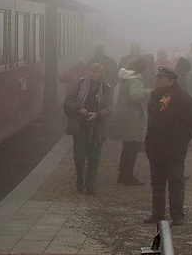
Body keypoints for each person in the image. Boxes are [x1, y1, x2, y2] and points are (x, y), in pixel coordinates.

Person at [144, 67, 192, 225]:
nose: (157, 80)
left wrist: (182, 140)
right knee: (157, 183)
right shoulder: (155, 97)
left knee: (175, 182)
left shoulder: (183, 99)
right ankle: (157, 214)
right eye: (157, 77)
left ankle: (177, 215)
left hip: (174, 149)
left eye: (161, 78)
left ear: (171, 81)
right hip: (155, 147)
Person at [63, 63, 112, 195]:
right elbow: (69, 102)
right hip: (80, 126)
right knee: (79, 156)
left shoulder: (107, 88)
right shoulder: (79, 84)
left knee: (94, 158)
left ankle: (90, 184)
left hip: (97, 128)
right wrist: (79, 108)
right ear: (88, 72)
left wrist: (98, 114)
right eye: (92, 71)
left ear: (102, 74)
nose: (94, 74)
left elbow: (108, 108)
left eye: (97, 72)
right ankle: (80, 178)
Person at [109, 58, 148, 185]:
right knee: (133, 146)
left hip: (124, 114)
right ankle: (127, 176)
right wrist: (148, 92)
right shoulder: (135, 80)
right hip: (132, 116)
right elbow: (134, 96)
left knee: (127, 146)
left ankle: (123, 173)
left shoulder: (126, 77)